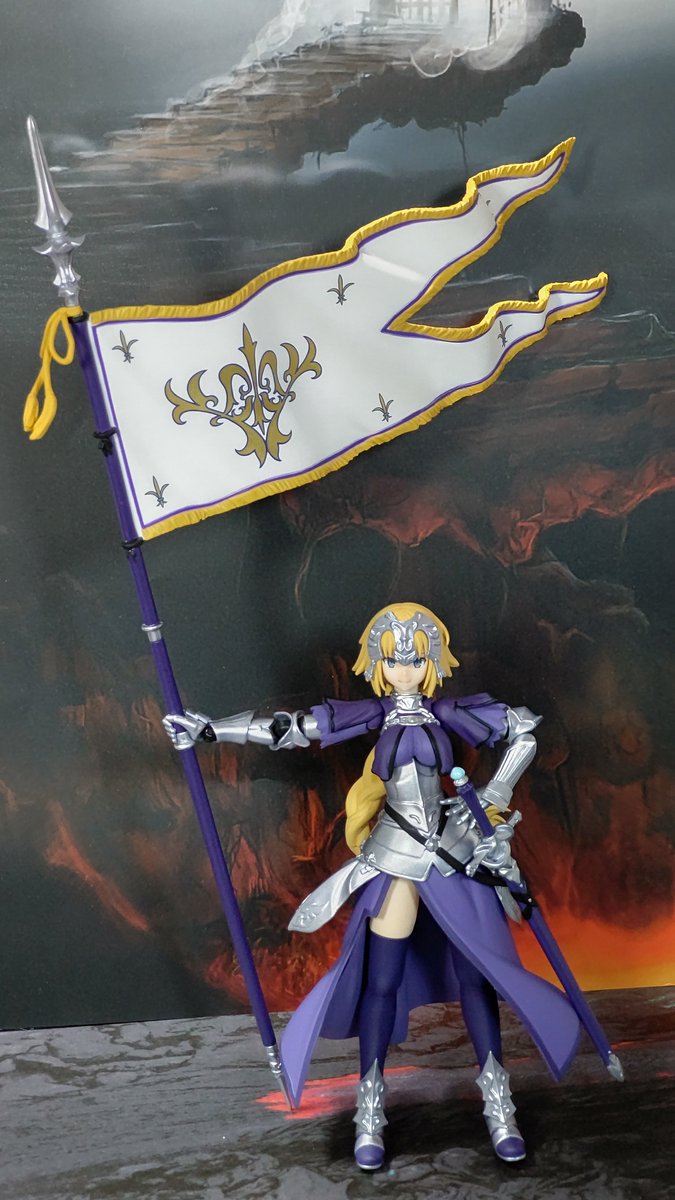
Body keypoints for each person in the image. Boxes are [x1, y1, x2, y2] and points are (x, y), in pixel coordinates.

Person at [164, 603, 581, 1170]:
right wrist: (212, 729)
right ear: (378, 665)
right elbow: (292, 728)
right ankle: (370, 1105)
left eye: (415, 660)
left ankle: (497, 1101)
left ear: (432, 662)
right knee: (380, 981)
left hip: (452, 852)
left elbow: (525, 731)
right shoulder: (374, 715)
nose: (404, 670)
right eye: (393, 660)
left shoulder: (449, 712)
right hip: (395, 852)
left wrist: (493, 795)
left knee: (476, 976)